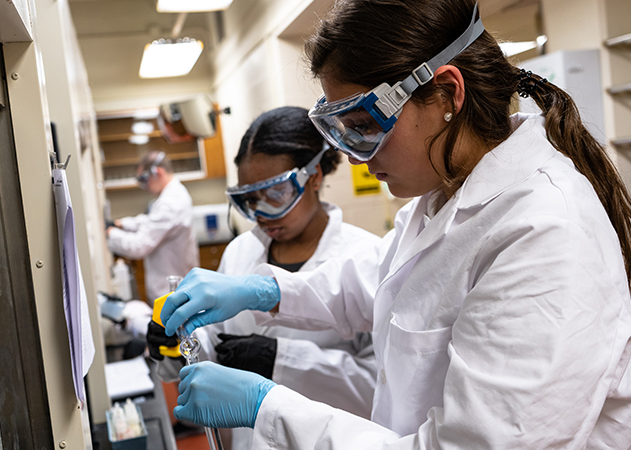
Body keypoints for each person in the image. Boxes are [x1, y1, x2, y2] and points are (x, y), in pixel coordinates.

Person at [159, 1, 631, 448]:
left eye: (363, 122)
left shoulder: (545, 234)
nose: (348, 152)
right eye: (339, 128)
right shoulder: (442, 194)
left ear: (446, 93)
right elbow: (374, 286)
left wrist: (268, 408)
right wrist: (265, 292)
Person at [148, 106, 380, 450]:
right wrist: (175, 346)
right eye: (249, 199)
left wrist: (280, 361)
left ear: (314, 175)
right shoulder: (240, 252)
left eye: (275, 194)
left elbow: (382, 389)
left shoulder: (368, 256)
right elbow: (215, 347)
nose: (260, 213)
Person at [107, 151, 199, 303]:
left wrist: (110, 234)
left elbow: (139, 246)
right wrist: (121, 224)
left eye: (144, 179)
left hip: (170, 292)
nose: (144, 186)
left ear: (158, 173)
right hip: (173, 289)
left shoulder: (169, 203)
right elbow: (150, 222)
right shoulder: (173, 194)